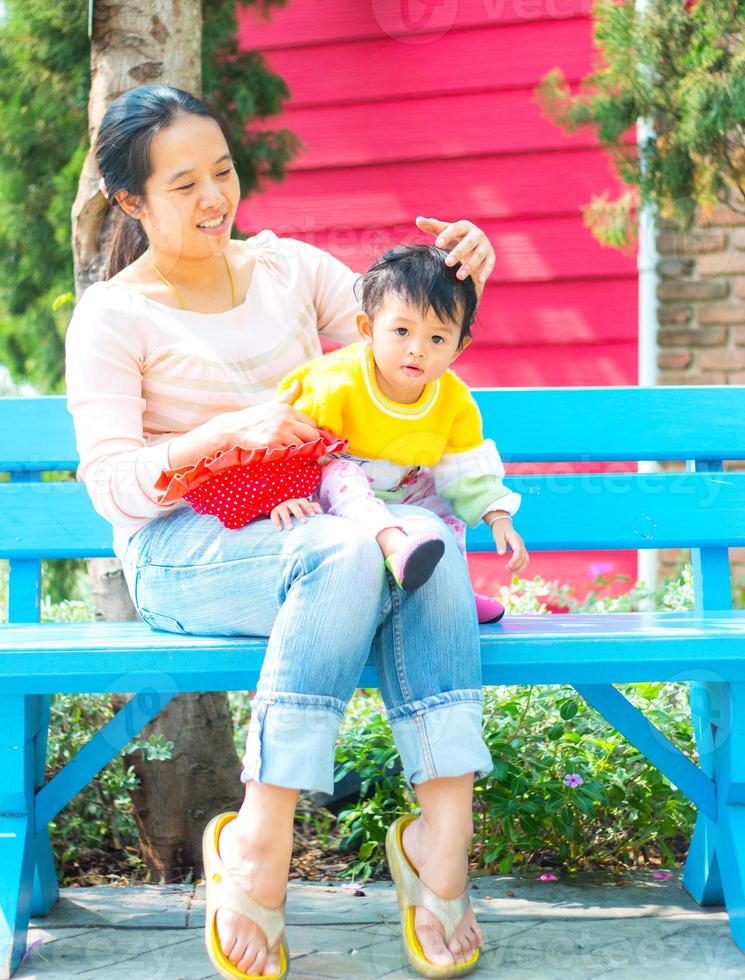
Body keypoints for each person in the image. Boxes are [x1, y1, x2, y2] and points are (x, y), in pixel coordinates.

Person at [65, 83, 498, 978]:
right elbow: (113, 486)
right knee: (360, 548)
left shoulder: (293, 271)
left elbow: (405, 363)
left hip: (328, 528)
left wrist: (457, 277)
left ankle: (440, 835)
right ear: (130, 200)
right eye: (183, 185)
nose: (215, 198)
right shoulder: (115, 315)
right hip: (189, 550)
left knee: (426, 538)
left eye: (221, 171)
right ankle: (261, 840)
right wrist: (228, 431)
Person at [270, 243, 529, 620]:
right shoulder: (337, 383)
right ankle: (392, 544)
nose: (417, 350)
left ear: (459, 347)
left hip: (402, 488)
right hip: (334, 489)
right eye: (402, 331)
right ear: (367, 329)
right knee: (344, 475)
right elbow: (294, 439)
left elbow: (465, 467)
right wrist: (284, 492)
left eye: (437, 339)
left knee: (445, 505)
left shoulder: (452, 399)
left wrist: (498, 517)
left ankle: (454, 590)